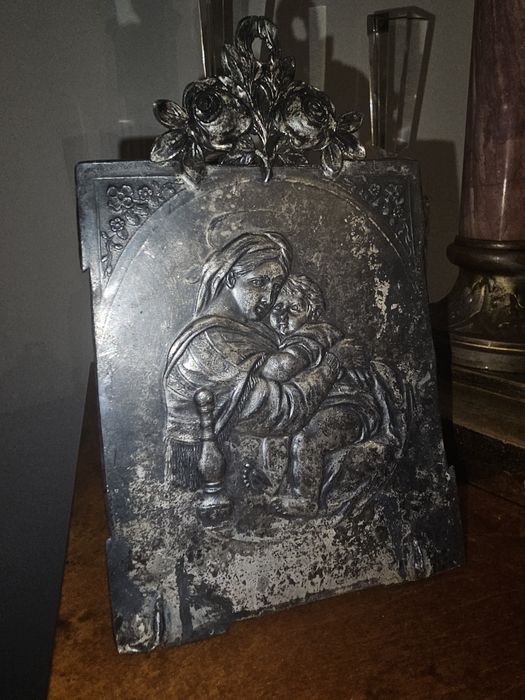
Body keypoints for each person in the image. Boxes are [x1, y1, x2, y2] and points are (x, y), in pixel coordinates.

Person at [163, 232, 348, 489]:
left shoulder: (247, 331)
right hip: (201, 478)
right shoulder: (211, 342)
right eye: (259, 282)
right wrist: (334, 360)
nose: (268, 298)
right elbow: (285, 411)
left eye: (276, 287)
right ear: (231, 278)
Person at [261, 275, 408, 516]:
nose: (283, 315)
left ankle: (306, 499)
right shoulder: (282, 340)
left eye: (294, 308)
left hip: (351, 408)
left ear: (313, 312)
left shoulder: (315, 334)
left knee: (308, 438)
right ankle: (269, 487)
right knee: (277, 437)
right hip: (318, 409)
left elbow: (281, 370)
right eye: (277, 308)